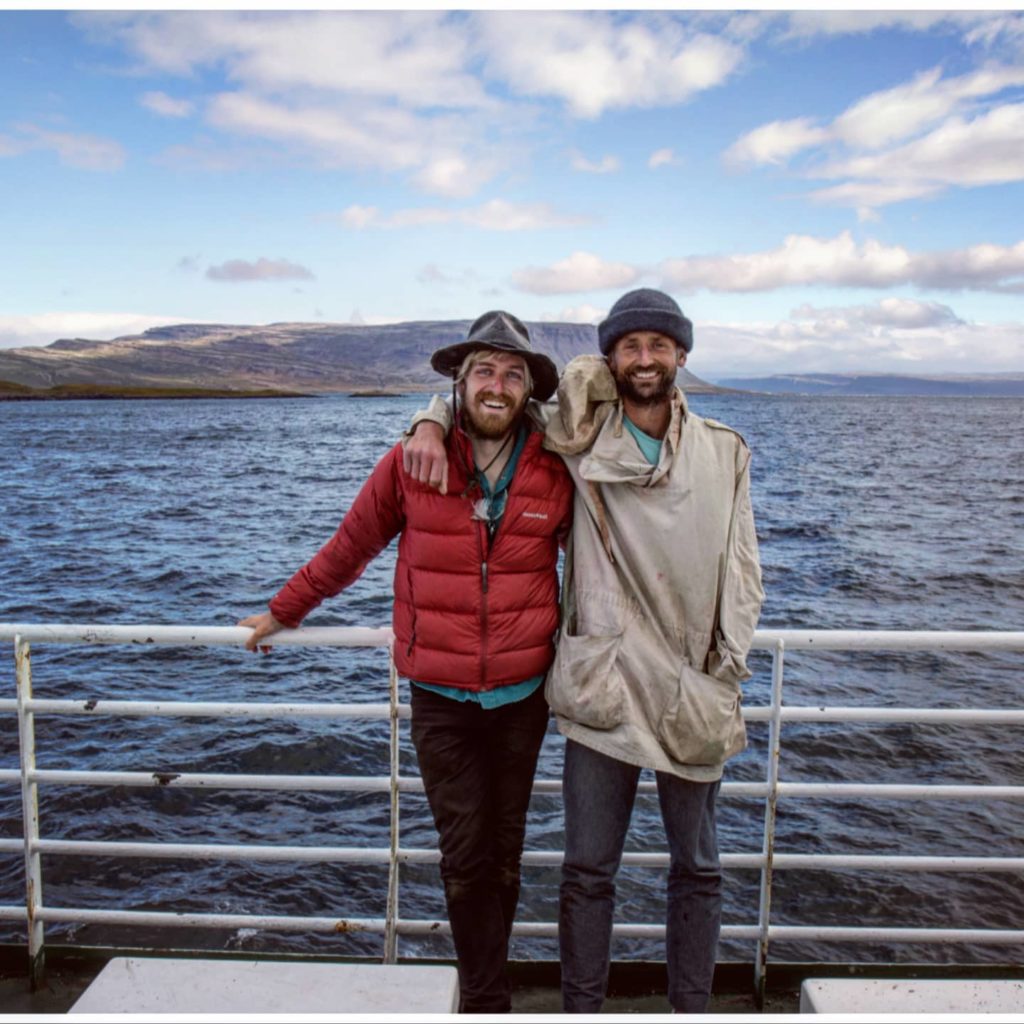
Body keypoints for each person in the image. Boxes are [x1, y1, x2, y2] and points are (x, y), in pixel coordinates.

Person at [402, 288, 763, 1013]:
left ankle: (692, 1007)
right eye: (629, 346)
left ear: (682, 356)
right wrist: (430, 417)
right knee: (587, 869)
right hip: (604, 683)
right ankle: (583, 1010)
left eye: (659, 345)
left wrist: (728, 661)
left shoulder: (724, 452)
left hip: (693, 686)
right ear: (610, 359)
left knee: (698, 866)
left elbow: (744, 565)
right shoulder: (579, 440)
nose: (645, 358)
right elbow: (492, 406)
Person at [239, 311, 574, 1014]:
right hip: (440, 694)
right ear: (459, 382)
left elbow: (610, 556)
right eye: (484, 370)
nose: (498, 384)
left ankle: (489, 983)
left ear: (529, 391)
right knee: (463, 852)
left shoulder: (554, 465)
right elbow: (350, 546)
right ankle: (487, 997)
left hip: (524, 694)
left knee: (505, 852)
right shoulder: (412, 460)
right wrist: (283, 611)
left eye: (513, 374)